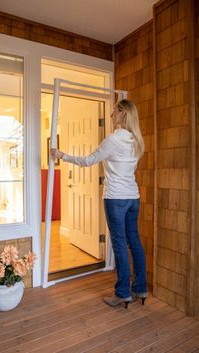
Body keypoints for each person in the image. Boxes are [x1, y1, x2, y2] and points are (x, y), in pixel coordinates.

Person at [51, 99, 147, 309]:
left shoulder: (113, 140)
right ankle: (140, 288)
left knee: (120, 245)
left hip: (116, 199)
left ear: (123, 113)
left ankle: (122, 293)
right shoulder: (137, 140)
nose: (111, 115)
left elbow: (88, 161)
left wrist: (61, 155)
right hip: (133, 198)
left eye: (114, 111)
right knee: (135, 242)